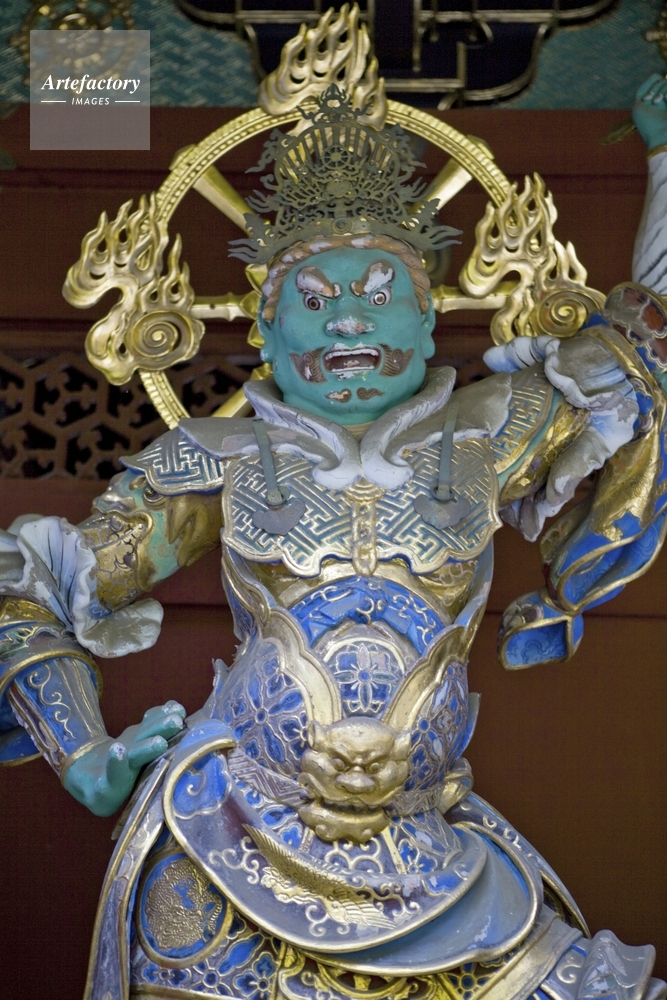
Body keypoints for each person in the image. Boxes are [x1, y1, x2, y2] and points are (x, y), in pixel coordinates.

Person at [1, 79, 667, 1000]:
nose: (349, 318)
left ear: (428, 318)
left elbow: (645, 345)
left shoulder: (497, 428)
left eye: (379, 294)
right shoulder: (217, 456)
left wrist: (665, 158)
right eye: (313, 301)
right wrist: (81, 752)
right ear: (265, 332)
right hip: (226, 841)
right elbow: (27, 586)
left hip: (429, 855)